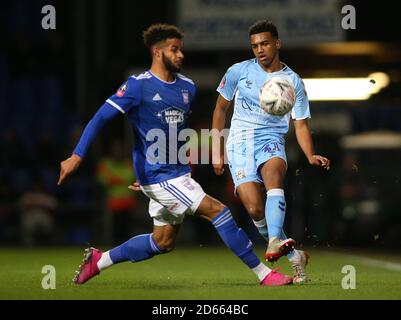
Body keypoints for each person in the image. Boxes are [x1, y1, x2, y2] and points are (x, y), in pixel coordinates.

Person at [58, 23, 292, 286]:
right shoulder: (137, 86)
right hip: (163, 177)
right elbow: (100, 118)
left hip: (171, 175)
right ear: (158, 52)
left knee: (162, 241)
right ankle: (264, 274)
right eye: (174, 50)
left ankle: (99, 261)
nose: (181, 55)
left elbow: (173, 134)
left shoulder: (187, 88)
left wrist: (149, 179)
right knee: (219, 211)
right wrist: (77, 155)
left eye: (181, 49)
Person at [211, 20, 330, 284]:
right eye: (254, 45)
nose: (259, 50)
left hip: (271, 139)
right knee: (254, 209)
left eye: (264, 43)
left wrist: (310, 155)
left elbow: (300, 124)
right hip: (239, 142)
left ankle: (274, 240)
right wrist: (217, 150)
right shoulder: (237, 72)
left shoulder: (293, 82)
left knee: (274, 175)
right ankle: (293, 255)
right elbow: (220, 109)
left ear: (277, 43)